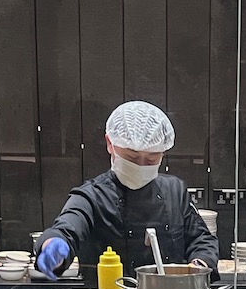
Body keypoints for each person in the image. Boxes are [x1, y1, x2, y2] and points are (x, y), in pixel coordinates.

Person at [35, 101, 217, 279]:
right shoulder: (91, 196)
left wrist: (198, 267)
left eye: (151, 159)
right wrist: (53, 245)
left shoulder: (175, 191)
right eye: (131, 157)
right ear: (110, 144)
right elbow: (66, 228)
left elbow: (202, 239)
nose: (140, 165)